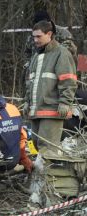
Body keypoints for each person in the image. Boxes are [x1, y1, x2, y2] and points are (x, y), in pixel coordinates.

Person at [25, 19, 78, 152]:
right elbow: (30, 83)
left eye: (39, 36)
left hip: (52, 111)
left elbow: (68, 80)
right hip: (35, 111)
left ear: (49, 34)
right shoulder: (36, 56)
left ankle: (47, 173)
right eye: (34, 37)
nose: (35, 40)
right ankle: (41, 172)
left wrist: (65, 102)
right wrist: (27, 102)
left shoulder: (62, 53)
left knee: (47, 149)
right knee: (35, 146)